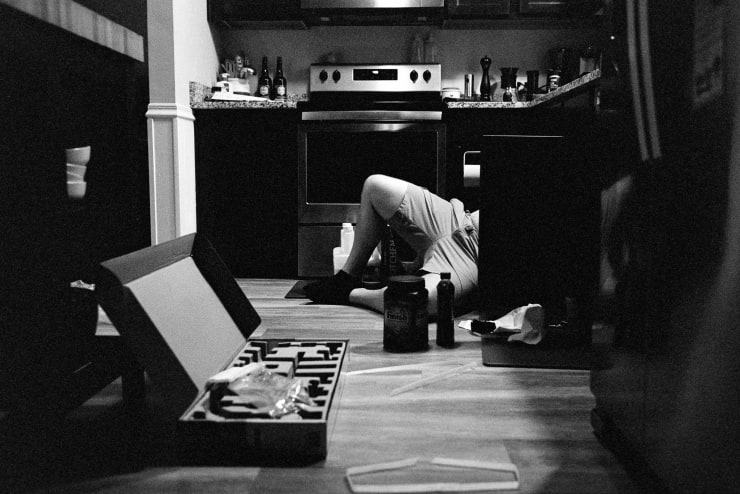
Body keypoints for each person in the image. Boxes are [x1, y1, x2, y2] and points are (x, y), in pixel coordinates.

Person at [303, 174, 479, 316]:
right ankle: (347, 276)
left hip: (469, 256)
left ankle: (349, 293)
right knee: (374, 185)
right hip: (457, 219)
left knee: (411, 301)